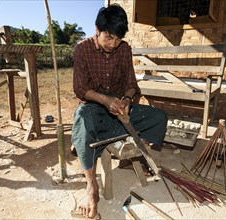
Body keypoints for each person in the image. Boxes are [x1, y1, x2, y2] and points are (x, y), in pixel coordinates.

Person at [71, 3, 167, 219]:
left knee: (158, 117)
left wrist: (126, 100)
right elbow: (79, 88)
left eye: (117, 39)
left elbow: (131, 84)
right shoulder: (82, 49)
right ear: (97, 29)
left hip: (119, 109)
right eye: (108, 37)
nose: (113, 44)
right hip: (94, 107)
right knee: (82, 118)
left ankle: (127, 146)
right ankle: (91, 186)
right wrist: (105, 100)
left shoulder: (124, 49)